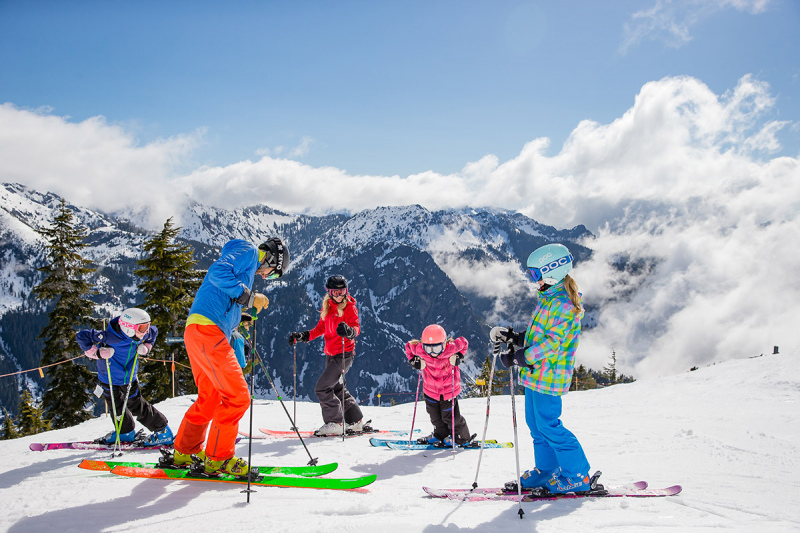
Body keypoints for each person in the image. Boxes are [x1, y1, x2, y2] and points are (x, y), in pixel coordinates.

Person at [172, 237, 289, 477]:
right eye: (274, 273)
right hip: (209, 331)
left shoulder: (244, 266)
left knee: (210, 397)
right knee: (238, 397)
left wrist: (239, 316)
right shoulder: (248, 252)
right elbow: (217, 272)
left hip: (197, 330)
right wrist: (247, 297)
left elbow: (221, 295)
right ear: (271, 258)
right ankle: (219, 458)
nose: (267, 277)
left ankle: (185, 451)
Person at [490, 243, 591, 494]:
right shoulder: (548, 299)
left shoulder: (565, 305)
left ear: (552, 271)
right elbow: (539, 336)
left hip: (550, 376)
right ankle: (547, 470)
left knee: (549, 425)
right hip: (536, 375)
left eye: (536, 274)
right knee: (535, 425)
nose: (533, 280)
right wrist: (515, 338)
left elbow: (553, 343)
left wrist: (519, 358)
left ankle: (578, 474)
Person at [76, 307, 173, 446]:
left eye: (147, 326)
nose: (146, 331)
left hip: (128, 378)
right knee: (116, 407)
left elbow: (154, 332)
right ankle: (125, 433)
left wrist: (147, 346)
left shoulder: (142, 334)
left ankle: (163, 432)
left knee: (137, 405)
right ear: (129, 328)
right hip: (108, 379)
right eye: (142, 328)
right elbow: (82, 336)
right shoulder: (109, 337)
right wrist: (96, 353)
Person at [288, 275, 364, 436]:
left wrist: (349, 332)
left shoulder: (349, 307)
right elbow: (320, 328)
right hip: (331, 354)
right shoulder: (327, 306)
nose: (338, 295)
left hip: (344, 355)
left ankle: (335, 422)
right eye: (334, 292)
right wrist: (304, 336)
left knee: (322, 387)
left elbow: (356, 327)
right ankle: (355, 421)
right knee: (337, 387)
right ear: (329, 293)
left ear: (346, 291)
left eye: (342, 291)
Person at [405, 324, 471, 446]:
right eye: (428, 349)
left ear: (444, 343)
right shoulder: (420, 349)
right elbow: (408, 347)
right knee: (434, 416)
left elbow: (464, 342)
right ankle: (441, 434)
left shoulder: (451, 348)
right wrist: (414, 361)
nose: (432, 353)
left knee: (450, 417)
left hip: (448, 392)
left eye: (436, 348)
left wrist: (459, 356)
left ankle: (462, 438)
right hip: (430, 391)